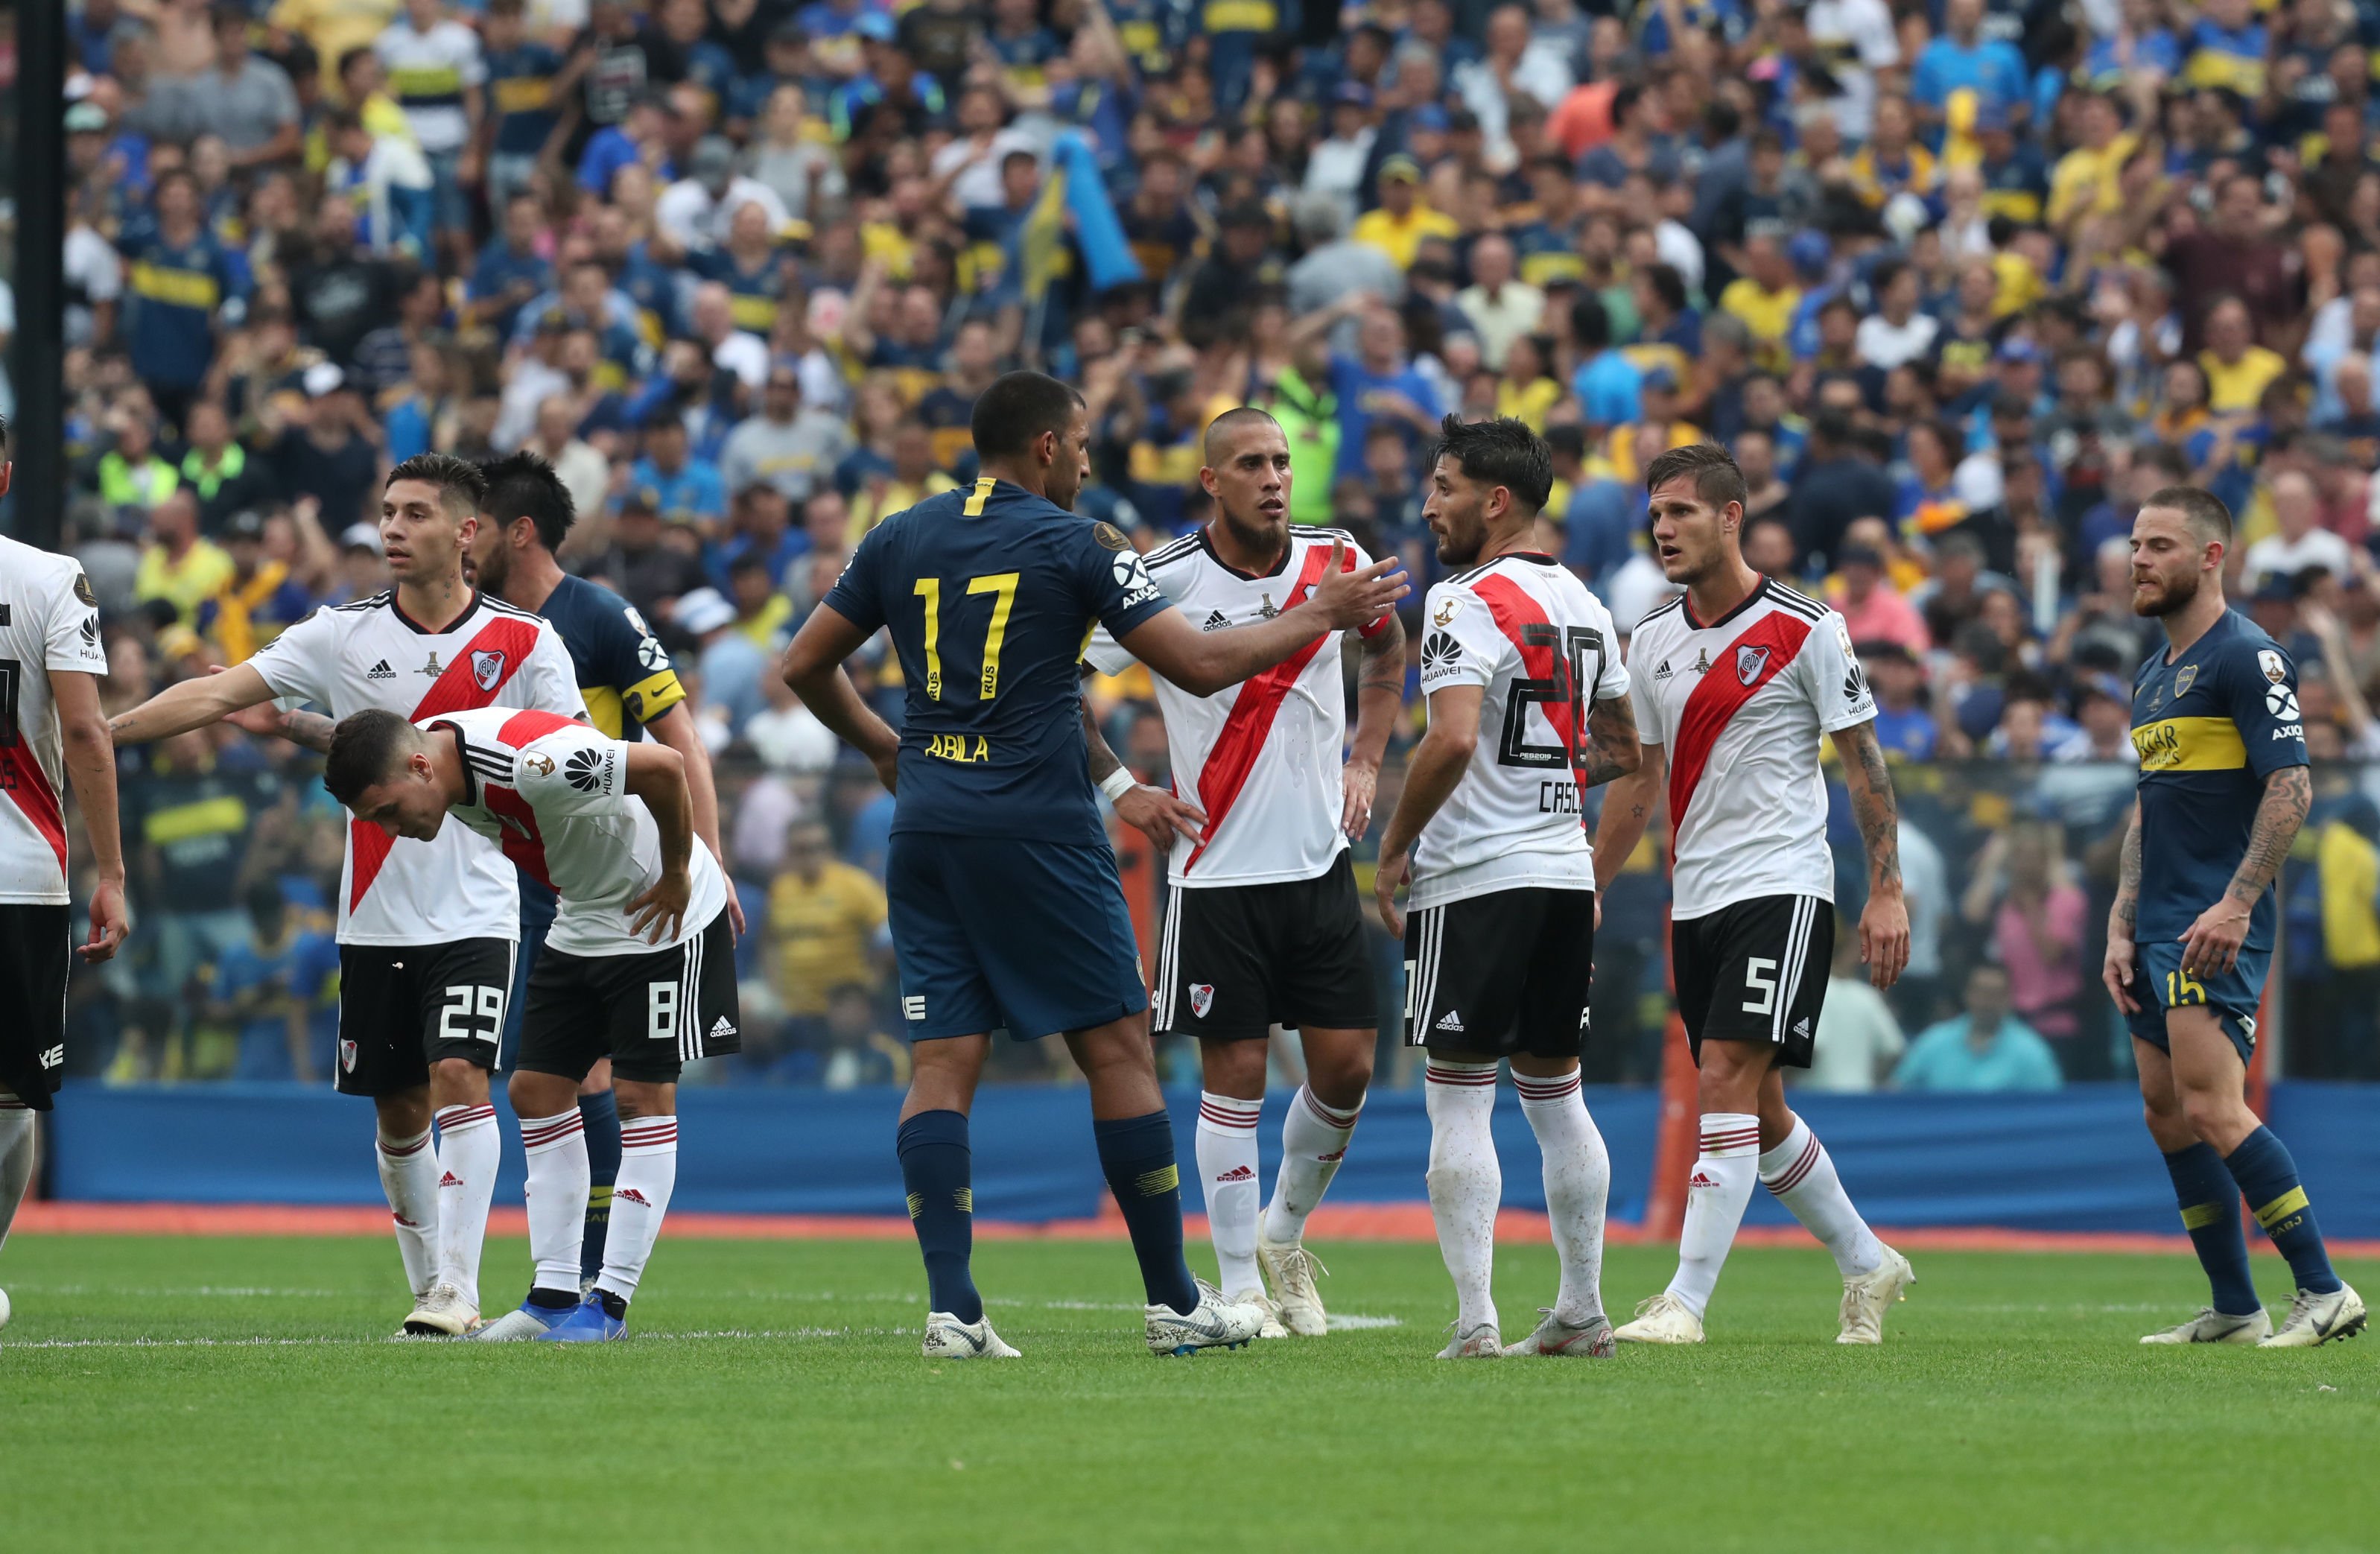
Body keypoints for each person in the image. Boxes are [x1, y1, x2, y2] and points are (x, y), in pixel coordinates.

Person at [777, 370, 1406, 1360]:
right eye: (1076, 445)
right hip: (1035, 825)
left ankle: (953, 1309)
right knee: (1116, 1049)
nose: (1084, 460)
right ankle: (1174, 1300)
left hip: (929, 823)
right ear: (1041, 448)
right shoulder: (1081, 543)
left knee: (942, 1060)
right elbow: (1195, 665)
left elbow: (803, 664)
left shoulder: (897, 532)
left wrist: (882, 747)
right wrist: (1320, 613)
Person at [107, 454, 583, 1338]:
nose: (394, 530)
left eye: (414, 514)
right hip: (373, 912)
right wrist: (100, 737)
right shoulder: (339, 636)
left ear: (466, 532)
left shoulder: (527, 644)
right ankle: (428, 1290)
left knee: (458, 1076)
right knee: (398, 1111)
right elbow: (216, 692)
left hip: (479, 903)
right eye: (388, 513)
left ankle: (455, 1289)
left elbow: (566, 761)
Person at [1082, 407, 1407, 1339]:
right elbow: (1058, 677)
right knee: (1235, 1079)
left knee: (1345, 1068)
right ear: (1210, 480)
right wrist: (1120, 787)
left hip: (1318, 865)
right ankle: (1240, 1290)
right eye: (1252, 464)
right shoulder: (1164, 577)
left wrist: (1366, 756)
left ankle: (1283, 1234)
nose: (1273, 478)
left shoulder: (1334, 555)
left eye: (1282, 461)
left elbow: (1386, 648)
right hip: (1213, 873)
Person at [1594, 443, 1915, 1346]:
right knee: (1757, 1105)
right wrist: (1588, 884)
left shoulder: (1807, 627)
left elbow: (1865, 765)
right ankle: (1866, 1260)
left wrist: (1885, 890)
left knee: (1726, 1078)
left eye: (1683, 512)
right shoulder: (1651, 639)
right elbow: (1637, 781)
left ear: (1732, 517)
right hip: (1694, 899)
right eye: (1656, 513)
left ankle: (1684, 1302)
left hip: (1783, 885)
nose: (1664, 528)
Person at [318, 704, 734, 1342]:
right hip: (585, 915)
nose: (391, 830)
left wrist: (680, 870)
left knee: (640, 1095)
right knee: (535, 1091)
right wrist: (286, 722)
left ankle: (609, 1305)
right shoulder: (431, 762)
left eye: (389, 812)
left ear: (421, 766)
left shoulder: (533, 765)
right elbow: (369, 748)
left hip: (659, 913)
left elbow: (664, 766)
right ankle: (552, 1297)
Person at [1371, 415, 1637, 1361]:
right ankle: (1582, 1307)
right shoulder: (1585, 602)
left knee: (1458, 1097)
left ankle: (1477, 1318)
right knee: (1557, 1094)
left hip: (1474, 875)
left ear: (1495, 501)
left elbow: (1446, 738)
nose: (1429, 503)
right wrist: (1547, 780)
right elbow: (1624, 747)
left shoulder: (1461, 599)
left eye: (1443, 486)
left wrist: (1394, 844)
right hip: (1562, 873)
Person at [469, 450, 739, 1294]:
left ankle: (592, 1279)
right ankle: (566, 1278)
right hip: (511, 876)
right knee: (535, 1077)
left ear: (518, 532)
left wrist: (709, 863)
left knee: (596, 1074)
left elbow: (679, 740)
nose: (459, 540)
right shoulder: (472, 629)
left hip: (606, 876)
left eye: (473, 525)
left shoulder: (601, 618)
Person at [2104, 484, 2365, 1348]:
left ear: (2212, 556)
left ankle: (2325, 1291)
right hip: (2156, 922)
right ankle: (2235, 1307)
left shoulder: (2247, 658)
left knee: (2216, 1106)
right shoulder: (2152, 674)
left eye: (2160, 546)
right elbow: (2149, 809)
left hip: (2213, 917)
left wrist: (2237, 901)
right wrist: (2119, 918)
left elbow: (2293, 786)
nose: (2139, 559)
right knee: (2164, 1109)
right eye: (2137, 545)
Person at [0, 438, 133, 1315]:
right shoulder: (50, 579)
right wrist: (113, 870)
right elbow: (86, 732)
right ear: (6, 473)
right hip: (18, 871)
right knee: (12, 1091)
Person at [1893, 965, 2062, 1092]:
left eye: (1995, 994)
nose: (1987, 1002)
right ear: (1967, 995)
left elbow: (2050, 1110)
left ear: (2009, 999)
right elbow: (1897, 1091)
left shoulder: (2031, 1051)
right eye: (1981, 993)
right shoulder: (1934, 1042)